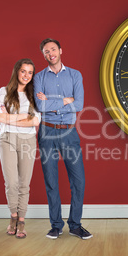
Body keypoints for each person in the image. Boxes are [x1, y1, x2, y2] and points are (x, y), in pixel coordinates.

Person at [34, 38, 93, 240]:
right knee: (51, 181)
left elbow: (79, 104)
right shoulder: (39, 77)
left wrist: (51, 100)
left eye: (52, 49)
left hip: (69, 131)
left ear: (60, 50)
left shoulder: (75, 75)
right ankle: (56, 225)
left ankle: (75, 225)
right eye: (45, 51)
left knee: (78, 181)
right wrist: (65, 100)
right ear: (43, 55)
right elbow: (40, 107)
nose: (50, 53)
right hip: (47, 131)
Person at [0, 58, 41, 239]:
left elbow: (36, 121)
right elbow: (0, 117)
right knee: (11, 182)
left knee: (24, 183)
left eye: (30, 72)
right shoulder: (4, 91)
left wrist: (12, 117)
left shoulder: (34, 94)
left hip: (28, 140)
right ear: (17, 71)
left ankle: (21, 221)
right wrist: (24, 116)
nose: (26, 75)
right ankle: (13, 216)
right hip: (6, 139)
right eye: (23, 71)